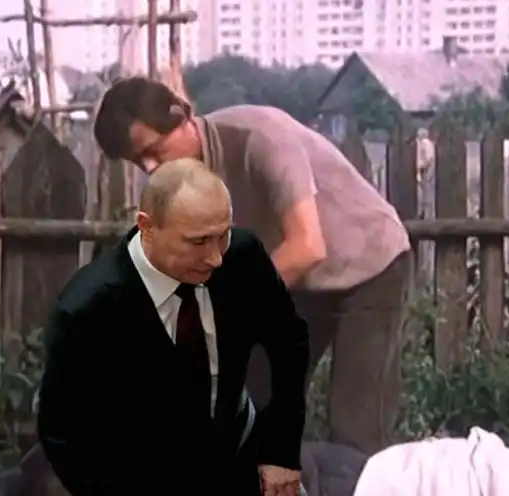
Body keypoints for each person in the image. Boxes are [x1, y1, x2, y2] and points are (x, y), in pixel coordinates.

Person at [93, 77, 413, 455]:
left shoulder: (261, 138)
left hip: (368, 264)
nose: (149, 168)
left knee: (355, 426)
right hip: (298, 279)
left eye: (154, 151)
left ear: (181, 116)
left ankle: (364, 476)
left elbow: (307, 247)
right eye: (137, 161)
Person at [37, 160, 309, 495]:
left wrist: (281, 450)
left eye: (222, 235)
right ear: (147, 227)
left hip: (238, 464)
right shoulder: (87, 309)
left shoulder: (243, 256)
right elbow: (63, 434)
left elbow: (290, 341)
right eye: (199, 241)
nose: (216, 257)